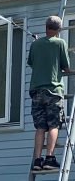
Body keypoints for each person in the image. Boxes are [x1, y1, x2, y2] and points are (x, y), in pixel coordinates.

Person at [28, 15, 71, 170]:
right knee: (53, 125)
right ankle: (50, 159)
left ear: (46, 27)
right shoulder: (60, 43)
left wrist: (38, 44)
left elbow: (32, 63)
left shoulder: (36, 44)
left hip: (37, 91)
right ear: (59, 29)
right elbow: (65, 67)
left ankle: (37, 161)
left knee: (40, 127)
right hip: (53, 90)